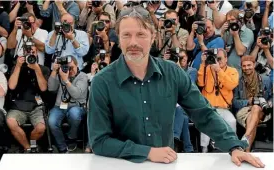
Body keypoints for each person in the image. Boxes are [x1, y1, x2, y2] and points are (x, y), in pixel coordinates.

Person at [88, 7, 264, 167]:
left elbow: (203, 113)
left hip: (164, 165)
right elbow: (99, 141)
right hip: (119, 165)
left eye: (141, 34)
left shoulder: (172, 73)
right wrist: (147, 152)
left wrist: (234, 147)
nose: (133, 42)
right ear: (118, 38)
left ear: (153, 37)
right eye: (126, 35)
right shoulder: (102, 82)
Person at [6, 44, 50, 153]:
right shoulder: (17, 67)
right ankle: (28, 148)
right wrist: (18, 66)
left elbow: (44, 88)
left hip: (37, 106)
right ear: (24, 54)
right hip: (18, 105)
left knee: (41, 128)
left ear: (37, 54)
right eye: (28, 52)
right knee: (11, 122)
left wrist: (36, 69)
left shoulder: (43, 69)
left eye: (33, 52)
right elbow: (11, 86)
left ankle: (31, 144)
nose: (31, 55)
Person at [197, 48, 238, 153]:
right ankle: (204, 149)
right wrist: (203, 63)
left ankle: (233, 148)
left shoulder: (232, 71)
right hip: (209, 107)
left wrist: (219, 70)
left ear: (226, 59)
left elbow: (231, 85)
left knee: (232, 121)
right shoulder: (207, 68)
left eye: (219, 58)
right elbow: (200, 84)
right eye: (215, 58)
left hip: (224, 108)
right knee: (207, 121)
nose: (217, 60)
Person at [48, 56, 88, 153]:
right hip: (60, 106)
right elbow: (51, 88)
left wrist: (66, 80)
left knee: (74, 114)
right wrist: (54, 71)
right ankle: (62, 147)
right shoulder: (61, 73)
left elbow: (76, 94)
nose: (69, 71)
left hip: (77, 106)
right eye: (67, 68)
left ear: (77, 64)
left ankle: (71, 138)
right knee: (52, 121)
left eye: (72, 67)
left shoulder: (82, 76)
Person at [233, 55, 272, 152]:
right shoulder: (238, 81)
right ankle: (247, 151)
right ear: (241, 67)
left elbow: (272, 96)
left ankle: (245, 138)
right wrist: (248, 101)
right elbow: (234, 102)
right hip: (244, 111)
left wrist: (270, 102)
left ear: (254, 65)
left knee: (255, 108)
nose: (247, 68)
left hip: (263, 110)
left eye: (249, 65)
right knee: (253, 118)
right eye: (244, 66)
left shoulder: (265, 79)